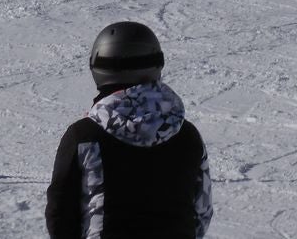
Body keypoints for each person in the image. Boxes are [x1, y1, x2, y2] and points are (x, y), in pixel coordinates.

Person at [46, 21, 213, 239]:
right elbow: (201, 211)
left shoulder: (85, 135)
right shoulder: (187, 134)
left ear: (98, 67)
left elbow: (60, 213)